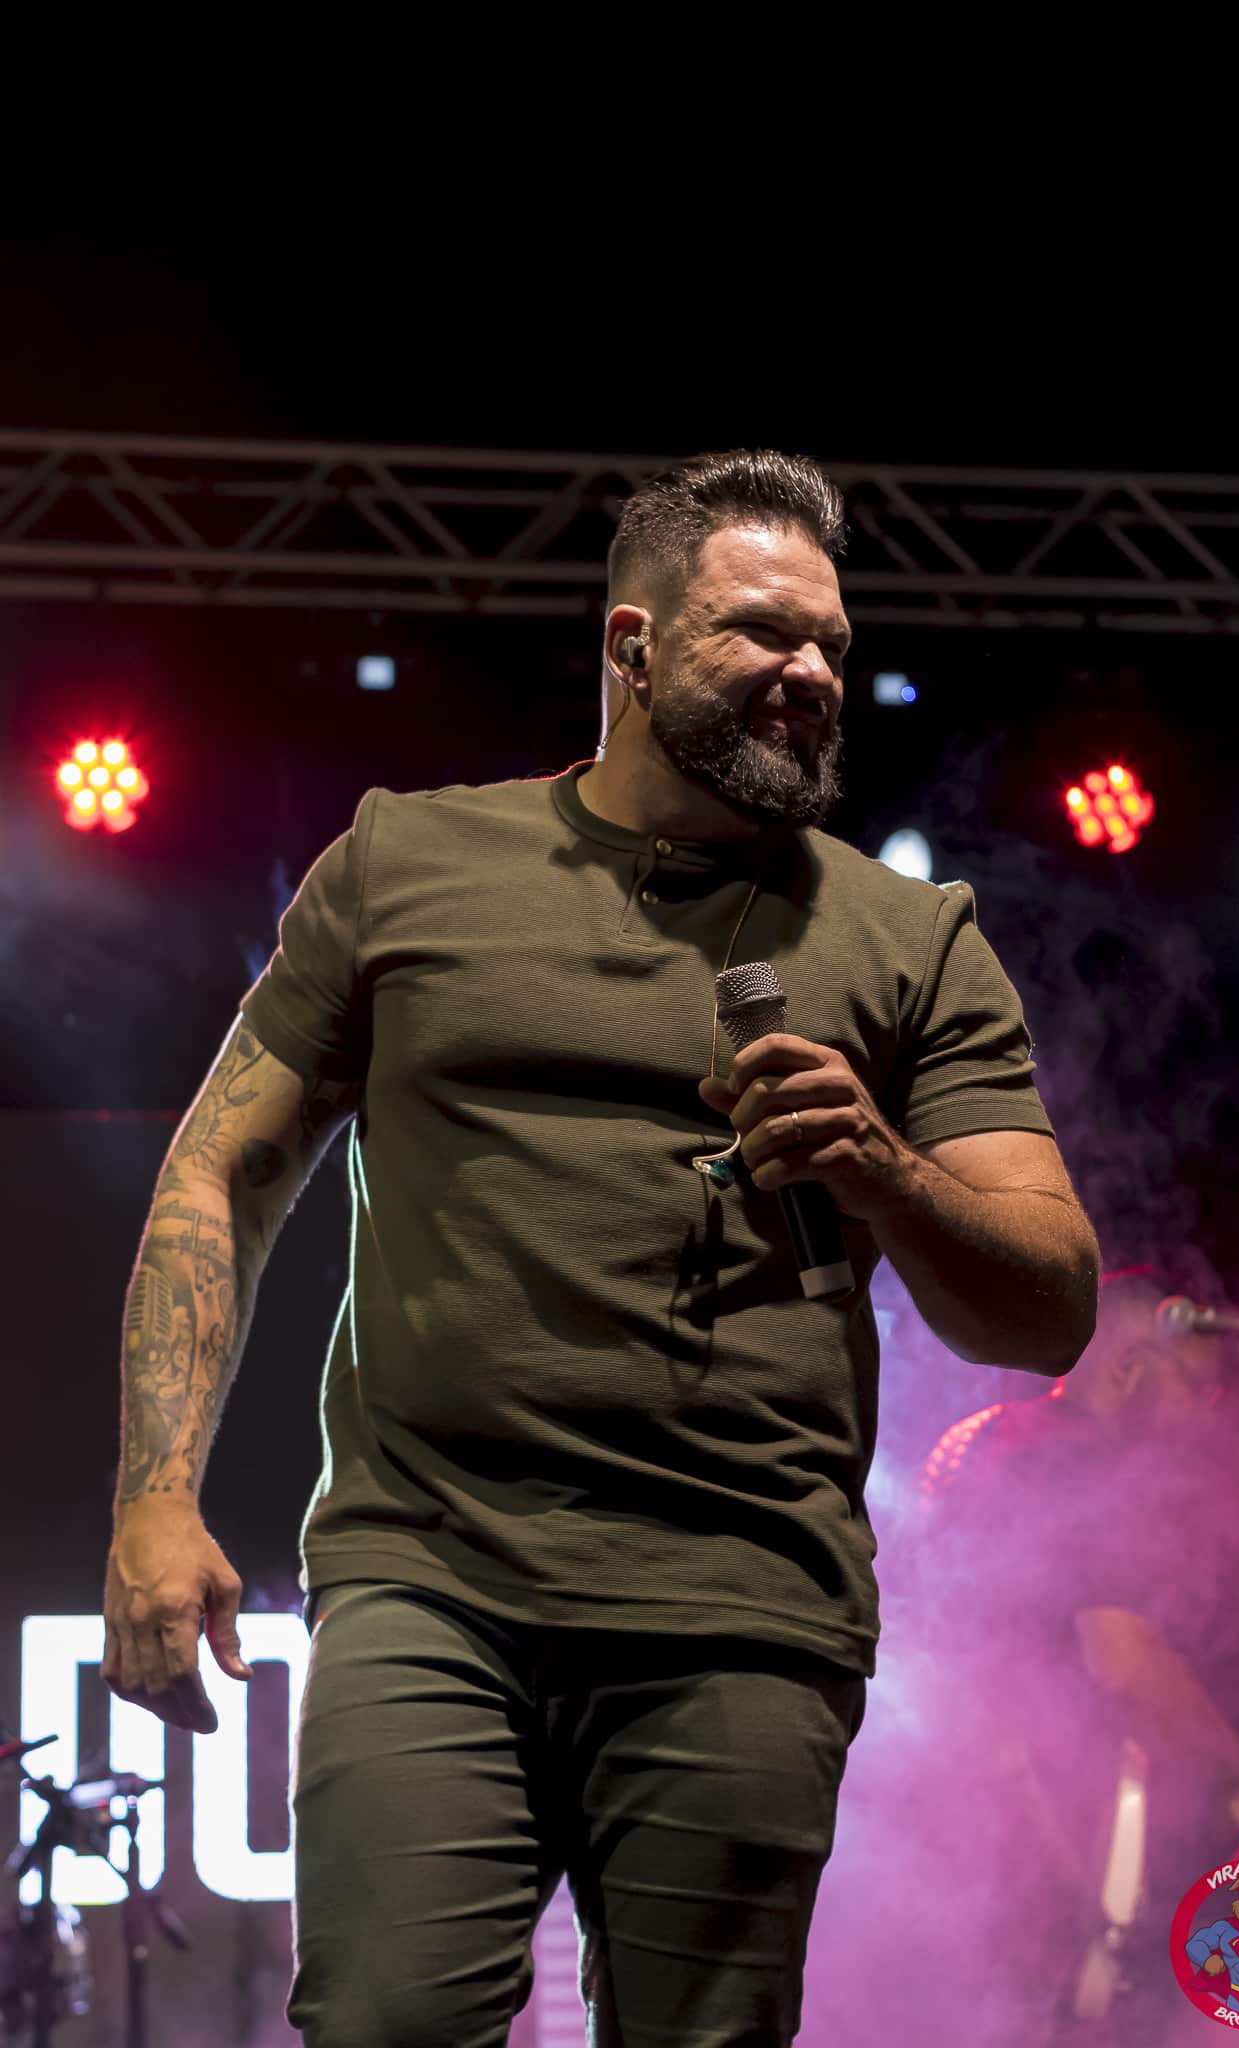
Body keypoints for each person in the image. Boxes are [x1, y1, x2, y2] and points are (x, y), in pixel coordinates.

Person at [101, 448, 1099, 2048]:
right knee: (382, 2023)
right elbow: (220, 1174)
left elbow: (1046, 1312)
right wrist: (155, 1499)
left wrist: (887, 1171)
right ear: (631, 645)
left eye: (831, 644)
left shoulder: (911, 940)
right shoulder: (408, 865)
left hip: (742, 1605)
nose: (809, 672)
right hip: (430, 1582)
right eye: (762, 631)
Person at [912, 1267, 1239, 2046]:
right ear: (1128, 1368)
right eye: (1195, 1388)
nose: (1203, 1414)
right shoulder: (1081, 1461)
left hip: (952, 1845)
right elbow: (1121, 1656)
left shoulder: (982, 1440)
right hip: (1026, 1857)